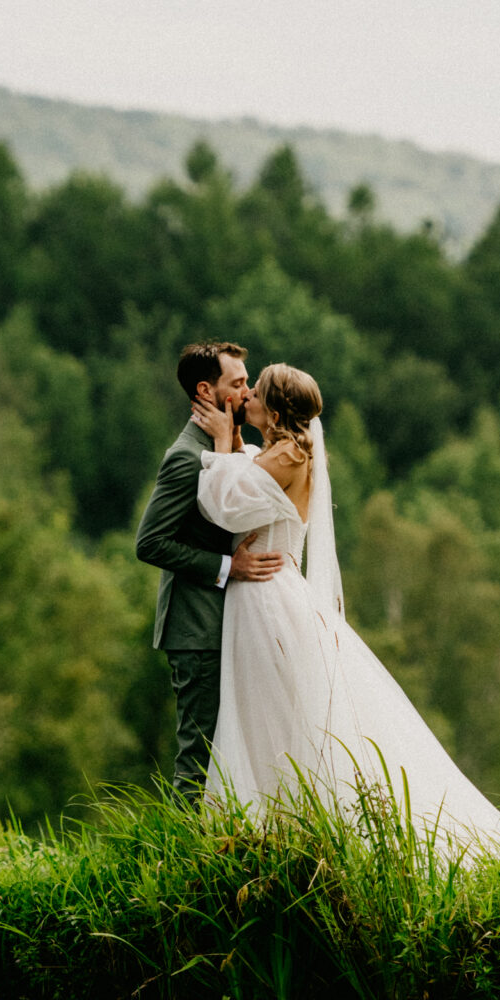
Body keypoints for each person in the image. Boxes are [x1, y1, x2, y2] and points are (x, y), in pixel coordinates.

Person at [190, 361, 500, 868]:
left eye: (256, 393)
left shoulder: (286, 455)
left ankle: (281, 830)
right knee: (265, 710)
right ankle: (267, 833)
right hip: (262, 592)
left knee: (267, 710)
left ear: (277, 409)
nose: (248, 400)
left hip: (266, 596)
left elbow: (224, 508)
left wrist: (221, 445)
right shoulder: (280, 451)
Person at [134, 341, 285, 800]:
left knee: (227, 753)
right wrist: (228, 566)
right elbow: (150, 542)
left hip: (224, 623)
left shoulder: (223, 447)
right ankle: (179, 863)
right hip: (196, 627)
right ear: (207, 390)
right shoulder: (185, 457)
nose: (246, 392)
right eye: (237, 384)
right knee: (198, 756)